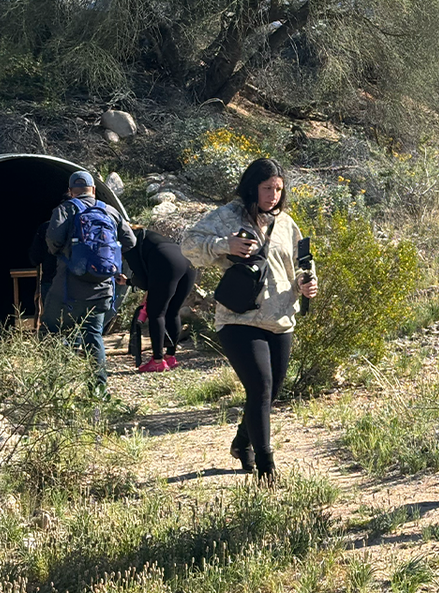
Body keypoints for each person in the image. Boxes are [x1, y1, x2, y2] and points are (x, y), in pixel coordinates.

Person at [182, 158, 318, 483]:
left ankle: (241, 444)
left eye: (278, 189)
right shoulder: (227, 216)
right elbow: (188, 245)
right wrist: (222, 245)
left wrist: (307, 282)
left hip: (281, 317)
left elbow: (302, 263)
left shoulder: (286, 223)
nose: (273, 194)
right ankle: (266, 468)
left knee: (269, 394)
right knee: (259, 386)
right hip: (238, 318)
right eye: (267, 187)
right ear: (252, 186)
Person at [45, 171, 136, 385]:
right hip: (102, 289)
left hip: (68, 290)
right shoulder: (110, 211)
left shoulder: (65, 210)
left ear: (70, 191)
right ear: (93, 190)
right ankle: (98, 389)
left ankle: (54, 386)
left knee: (51, 331)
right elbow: (130, 241)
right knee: (93, 337)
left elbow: (53, 241)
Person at [123, 226, 198, 372]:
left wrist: (128, 281)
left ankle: (157, 361)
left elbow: (144, 281)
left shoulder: (128, 243)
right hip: (187, 261)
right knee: (173, 311)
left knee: (156, 312)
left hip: (167, 261)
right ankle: (170, 357)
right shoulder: (145, 235)